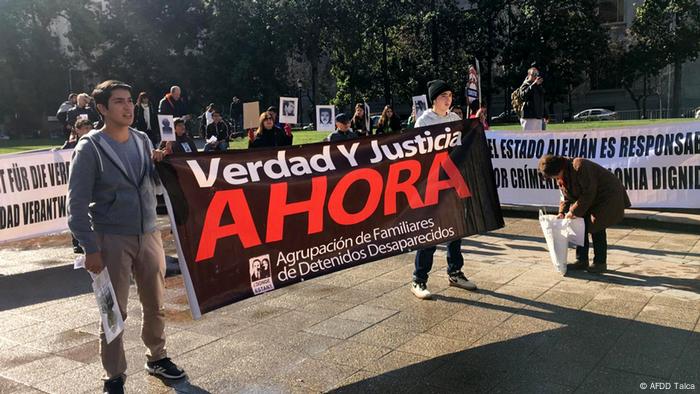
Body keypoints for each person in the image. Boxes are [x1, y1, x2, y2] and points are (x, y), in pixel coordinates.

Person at [67, 80, 186, 394]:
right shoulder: (89, 147)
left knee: (155, 302)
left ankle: (157, 356)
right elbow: (75, 204)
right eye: (119, 101)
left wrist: (160, 163)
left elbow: (150, 183)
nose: (128, 107)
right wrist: (89, 247)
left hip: (148, 234)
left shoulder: (142, 139)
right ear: (103, 108)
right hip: (110, 239)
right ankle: (114, 374)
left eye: (130, 100)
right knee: (113, 311)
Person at [411, 79, 477, 300]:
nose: (448, 100)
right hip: (432, 180)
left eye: (450, 95)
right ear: (434, 99)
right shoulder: (423, 121)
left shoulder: (455, 118)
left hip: (452, 179)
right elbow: (418, 152)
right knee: (430, 231)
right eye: (443, 96)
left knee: (456, 228)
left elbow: (461, 147)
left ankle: (455, 272)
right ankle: (419, 279)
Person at [538, 155, 631, 273]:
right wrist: (562, 212)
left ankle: (600, 263)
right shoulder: (561, 175)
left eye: (554, 176)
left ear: (559, 169)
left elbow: (589, 193)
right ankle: (581, 261)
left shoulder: (580, 166)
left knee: (597, 226)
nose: (555, 178)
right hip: (590, 198)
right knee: (579, 226)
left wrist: (573, 211)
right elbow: (565, 196)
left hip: (606, 196)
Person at [518, 67, 545, 131]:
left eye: (537, 74)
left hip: (538, 116)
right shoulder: (525, 84)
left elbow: (541, 101)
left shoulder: (538, 87)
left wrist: (545, 114)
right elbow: (523, 96)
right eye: (533, 74)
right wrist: (534, 85)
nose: (535, 76)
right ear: (528, 75)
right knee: (528, 137)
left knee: (538, 138)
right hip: (529, 117)